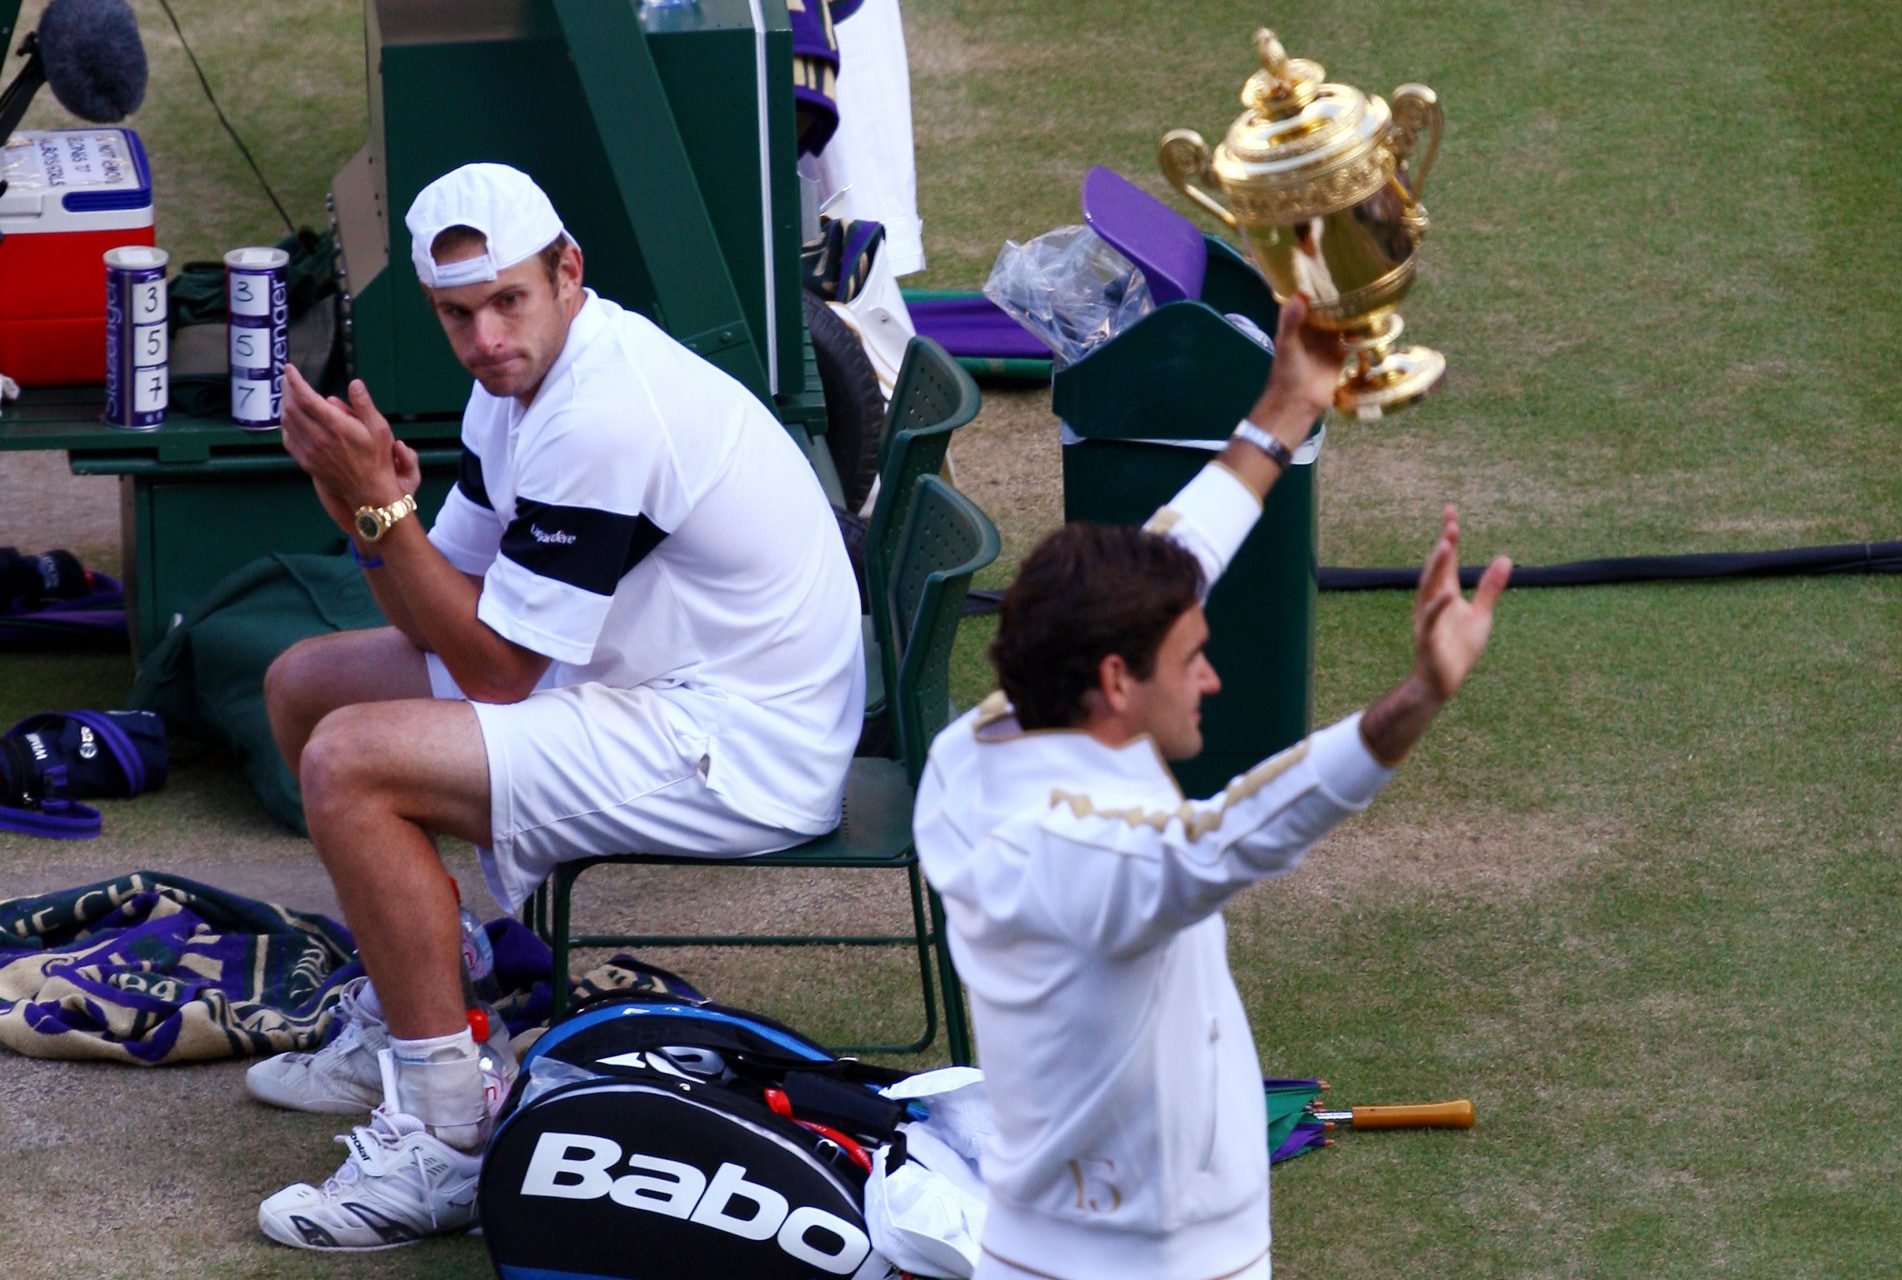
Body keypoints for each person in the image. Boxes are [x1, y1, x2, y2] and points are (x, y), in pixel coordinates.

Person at [248, 162, 864, 1250]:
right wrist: (366, 512)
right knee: (305, 686)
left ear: (567, 272)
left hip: (740, 741)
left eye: (507, 301)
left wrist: (383, 507)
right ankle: (424, 1006)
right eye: (457, 314)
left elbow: (492, 670)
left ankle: (441, 1138)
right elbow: (436, 615)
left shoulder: (602, 411)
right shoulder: (516, 388)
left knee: (351, 761)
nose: (485, 336)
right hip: (648, 683)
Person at [912, 294, 1512, 1280]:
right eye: (1191, 657)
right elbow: (1234, 835)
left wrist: (1281, 413)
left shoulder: (977, 749)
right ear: (1115, 681)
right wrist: (1415, 697)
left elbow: (1171, 557)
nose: (1213, 676)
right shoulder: (1086, 857)